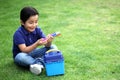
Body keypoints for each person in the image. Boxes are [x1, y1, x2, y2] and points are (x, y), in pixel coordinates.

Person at [12, 6, 58, 75]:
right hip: (23, 55)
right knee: (20, 57)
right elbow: (24, 50)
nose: (34, 25)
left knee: (53, 47)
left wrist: (49, 41)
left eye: (36, 22)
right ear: (22, 22)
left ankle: (38, 65)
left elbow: (47, 45)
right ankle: (44, 62)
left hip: (34, 53)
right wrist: (36, 44)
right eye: (31, 23)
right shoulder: (18, 33)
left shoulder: (37, 29)